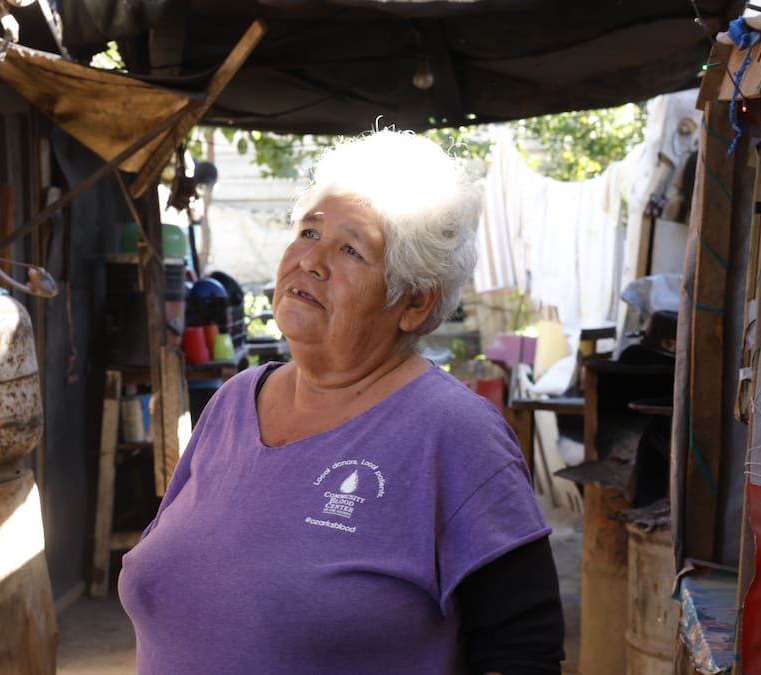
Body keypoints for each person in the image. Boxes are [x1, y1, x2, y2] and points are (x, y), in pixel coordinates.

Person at [118, 129, 565, 674]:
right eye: (309, 231)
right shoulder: (234, 401)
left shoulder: (454, 431)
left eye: (351, 249)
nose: (311, 260)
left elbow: (523, 652)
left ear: (415, 302)